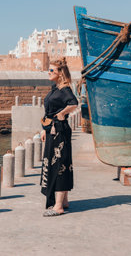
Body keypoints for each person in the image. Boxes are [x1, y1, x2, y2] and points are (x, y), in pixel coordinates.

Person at [40, 57, 78, 217]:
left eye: (51, 70)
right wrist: (44, 129)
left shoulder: (65, 90)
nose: (48, 72)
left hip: (60, 131)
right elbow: (49, 110)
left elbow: (74, 103)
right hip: (51, 130)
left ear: (60, 73)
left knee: (60, 165)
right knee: (57, 163)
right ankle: (64, 201)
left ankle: (58, 207)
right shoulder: (55, 88)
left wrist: (62, 114)